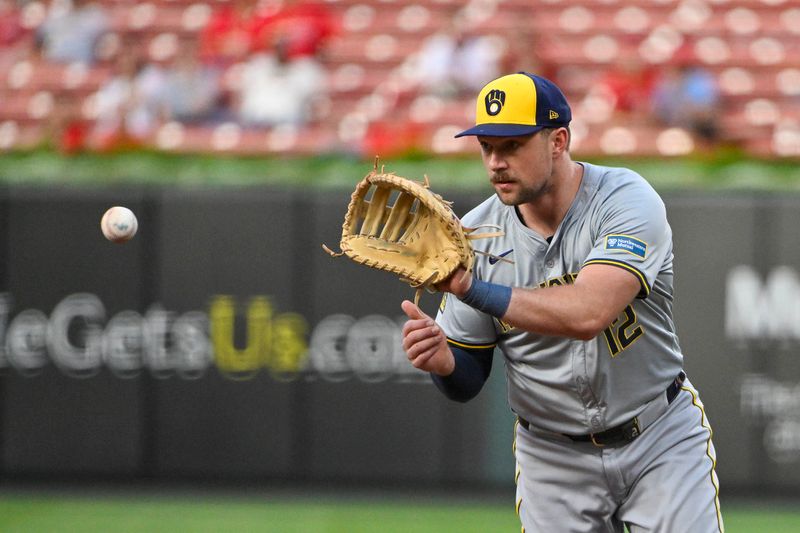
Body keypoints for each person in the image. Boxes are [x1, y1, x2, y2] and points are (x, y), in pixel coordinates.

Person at [400, 72, 723, 532]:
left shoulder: (625, 200)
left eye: (512, 144)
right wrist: (444, 363)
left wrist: (472, 289)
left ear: (558, 140)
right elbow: (469, 377)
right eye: (487, 147)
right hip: (552, 458)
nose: (496, 162)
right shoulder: (472, 239)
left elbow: (589, 313)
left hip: (658, 435)